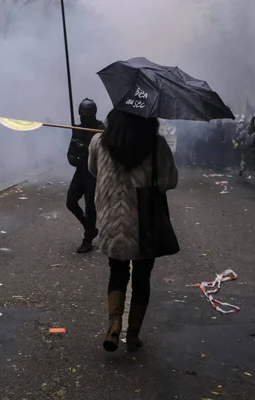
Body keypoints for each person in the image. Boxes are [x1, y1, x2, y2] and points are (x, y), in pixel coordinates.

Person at [88, 110, 178, 352]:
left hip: (110, 219)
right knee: (141, 277)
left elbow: (94, 171)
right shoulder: (155, 144)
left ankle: (114, 326)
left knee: (116, 272)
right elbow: (168, 182)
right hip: (143, 222)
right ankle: (134, 334)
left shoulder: (99, 141)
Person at [66, 98, 106, 253]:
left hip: (93, 173)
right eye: (82, 112)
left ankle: (87, 239)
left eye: (87, 112)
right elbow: (71, 149)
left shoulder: (100, 128)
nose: (84, 115)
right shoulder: (77, 129)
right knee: (70, 202)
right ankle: (90, 228)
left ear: (93, 113)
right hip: (80, 171)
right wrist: (72, 157)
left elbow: (104, 151)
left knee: (90, 207)